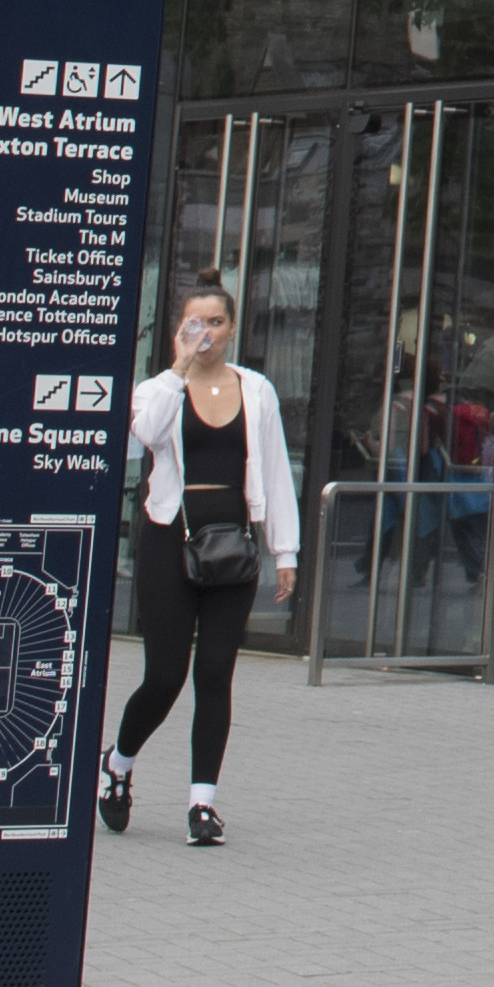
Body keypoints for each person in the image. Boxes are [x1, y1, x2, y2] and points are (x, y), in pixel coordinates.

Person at [105, 280, 299, 847]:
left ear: (233, 328)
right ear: (178, 331)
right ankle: (117, 764)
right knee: (165, 676)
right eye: (194, 323)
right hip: (170, 541)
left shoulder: (257, 391)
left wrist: (284, 550)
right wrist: (178, 370)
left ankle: (202, 805)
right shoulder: (158, 390)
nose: (206, 333)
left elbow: (278, 473)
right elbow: (141, 439)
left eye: (215, 323)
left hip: (232, 546)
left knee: (215, 673)